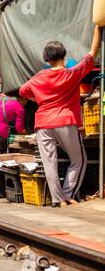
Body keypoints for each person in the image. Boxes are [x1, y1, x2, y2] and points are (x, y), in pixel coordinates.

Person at [19, 25, 102, 208]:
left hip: (42, 123)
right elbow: (92, 53)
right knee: (78, 159)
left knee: (49, 163)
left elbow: (22, 91)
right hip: (65, 120)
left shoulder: (39, 77)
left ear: (47, 59)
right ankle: (67, 195)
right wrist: (97, 26)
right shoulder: (71, 74)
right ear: (64, 55)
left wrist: (39, 98)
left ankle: (57, 200)